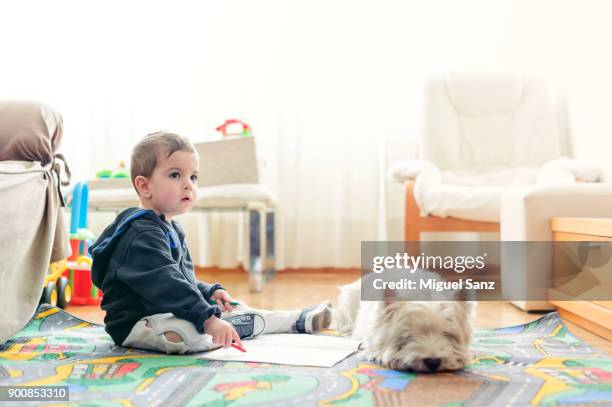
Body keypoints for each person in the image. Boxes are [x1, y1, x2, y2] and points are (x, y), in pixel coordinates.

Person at [90, 131, 332, 354]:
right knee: (185, 333)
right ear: (145, 186)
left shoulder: (171, 227)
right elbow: (166, 284)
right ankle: (226, 328)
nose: (188, 184)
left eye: (193, 177)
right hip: (137, 323)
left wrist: (210, 291)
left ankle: (296, 320)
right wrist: (208, 319)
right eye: (175, 175)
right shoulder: (140, 234)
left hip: (167, 311)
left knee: (234, 307)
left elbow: (182, 279)